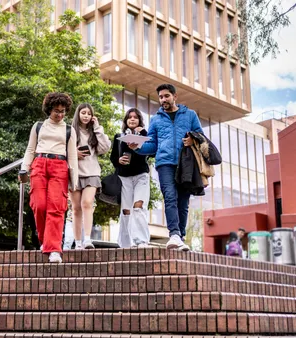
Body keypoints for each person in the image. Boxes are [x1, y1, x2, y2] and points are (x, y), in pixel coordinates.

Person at [129, 84, 203, 251]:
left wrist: (193, 140)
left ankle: (180, 237)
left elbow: (201, 137)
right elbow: (152, 145)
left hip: (186, 163)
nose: (163, 100)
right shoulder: (156, 119)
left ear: (174, 96)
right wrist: (138, 148)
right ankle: (174, 234)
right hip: (164, 163)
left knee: (183, 202)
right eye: (161, 97)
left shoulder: (190, 115)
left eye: (166, 96)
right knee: (170, 196)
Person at [19, 92, 78, 263]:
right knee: (39, 205)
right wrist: (24, 168)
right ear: (49, 110)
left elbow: (72, 156)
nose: (60, 114)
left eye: (63, 111)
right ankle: (45, 240)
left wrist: (74, 181)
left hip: (60, 166)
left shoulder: (69, 130)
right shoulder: (38, 126)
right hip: (39, 163)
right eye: (56, 111)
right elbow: (30, 149)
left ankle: (54, 249)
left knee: (56, 207)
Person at [70, 103, 111, 249]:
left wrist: (98, 127)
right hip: (74, 173)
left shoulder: (95, 132)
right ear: (78, 114)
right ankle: (78, 242)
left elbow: (105, 148)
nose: (86, 116)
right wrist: (75, 153)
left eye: (88, 113)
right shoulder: (70, 131)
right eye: (83, 113)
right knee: (75, 208)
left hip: (92, 172)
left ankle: (87, 239)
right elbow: (62, 150)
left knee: (87, 203)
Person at [110, 108, 151, 248]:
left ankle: (141, 241)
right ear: (126, 121)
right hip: (124, 177)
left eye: (135, 117)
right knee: (126, 211)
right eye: (129, 117)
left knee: (138, 207)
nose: (132, 119)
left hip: (141, 175)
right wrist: (118, 160)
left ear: (139, 120)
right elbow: (113, 157)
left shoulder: (144, 134)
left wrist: (143, 133)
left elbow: (151, 152)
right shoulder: (118, 136)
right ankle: (126, 244)